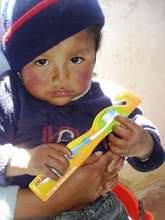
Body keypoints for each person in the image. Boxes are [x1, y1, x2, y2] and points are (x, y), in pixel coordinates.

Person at [0, 0, 164, 219]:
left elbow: (151, 154)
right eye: (42, 62)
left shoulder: (106, 101)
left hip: (100, 206)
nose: (61, 78)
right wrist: (23, 160)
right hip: (34, 211)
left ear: (94, 57)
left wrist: (142, 143)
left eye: (75, 59)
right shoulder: (10, 98)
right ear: (19, 66)